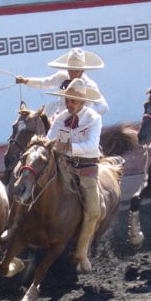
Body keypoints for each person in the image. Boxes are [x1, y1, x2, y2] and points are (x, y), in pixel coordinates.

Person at [46, 78, 104, 273]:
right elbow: (49, 141)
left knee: (94, 210)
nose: (68, 104)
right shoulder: (61, 118)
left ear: (83, 102)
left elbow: (91, 147)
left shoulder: (94, 118)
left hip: (87, 167)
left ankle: (81, 252)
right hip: (65, 165)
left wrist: (67, 147)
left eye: (72, 101)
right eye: (67, 100)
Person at [15, 47, 109, 121]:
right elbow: (44, 83)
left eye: (75, 70)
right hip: (61, 121)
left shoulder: (89, 85)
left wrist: (84, 116)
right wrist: (25, 81)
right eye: (70, 69)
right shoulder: (62, 76)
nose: (72, 72)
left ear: (82, 70)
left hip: (81, 125)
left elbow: (103, 107)